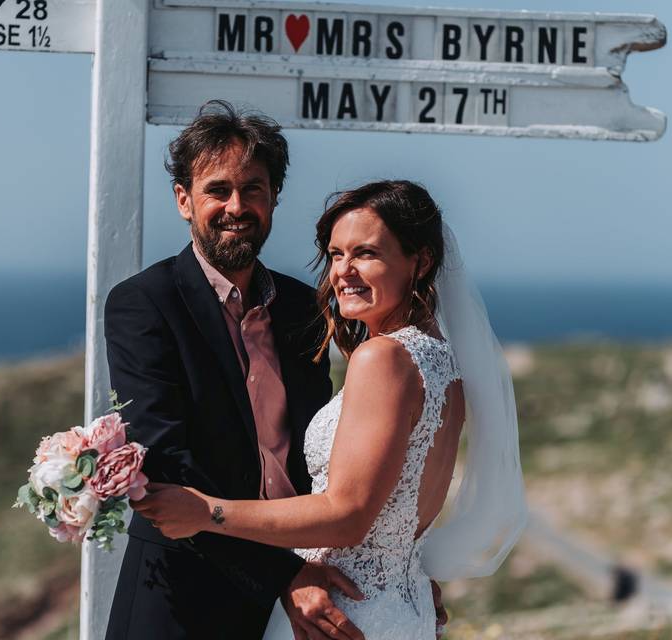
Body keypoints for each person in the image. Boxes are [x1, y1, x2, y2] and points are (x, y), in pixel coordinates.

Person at [133, 180, 529, 639]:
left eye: (366, 254)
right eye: (337, 254)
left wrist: (207, 511)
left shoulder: (382, 358)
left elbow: (348, 513)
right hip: (402, 606)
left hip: (341, 613)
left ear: (419, 262)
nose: (344, 271)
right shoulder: (444, 365)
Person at [103, 100, 368, 640]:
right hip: (182, 602)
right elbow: (167, 465)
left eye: (253, 189)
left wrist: (391, 579)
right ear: (184, 200)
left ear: (274, 198)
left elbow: (325, 458)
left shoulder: (305, 308)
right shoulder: (143, 305)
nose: (236, 205)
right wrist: (284, 575)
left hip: (305, 594)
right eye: (217, 190)